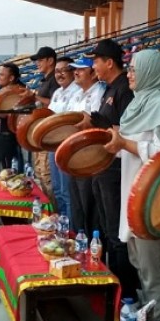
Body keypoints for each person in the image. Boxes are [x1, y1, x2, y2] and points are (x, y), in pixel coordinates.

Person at [103, 49, 160, 321]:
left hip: (157, 203)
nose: (130, 74)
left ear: (152, 71)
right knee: (142, 267)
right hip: (135, 196)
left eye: (136, 69)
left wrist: (124, 143)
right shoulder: (141, 103)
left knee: (156, 273)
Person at [81, 39, 141, 302]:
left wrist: (101, 123)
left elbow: (124, 130)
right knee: (105, 227)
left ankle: (124, 293)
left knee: (117, 233)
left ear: (109, 62)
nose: (94, 65)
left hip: (116, 167)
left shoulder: (124, 91)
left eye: (96, 60)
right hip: (103, 165)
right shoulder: (109, 90)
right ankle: (110, 280)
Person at [66, 56, 106, 236]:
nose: (76, 72)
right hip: (73, 153)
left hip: (89, 155)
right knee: (77, 204)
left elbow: (93, 123)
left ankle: (92, 245)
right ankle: (78, 239)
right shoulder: (77, 93)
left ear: (93, 74)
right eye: (75, 69)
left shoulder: (99, 93)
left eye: (81, 69)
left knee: (89, 204)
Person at [47, 56, 79, 219]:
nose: (59, 75)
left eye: (63, 71)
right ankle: (61, 225)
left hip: (67, 146)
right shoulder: (57, 92)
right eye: (57, 71)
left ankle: (71, 231)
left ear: (73, 72)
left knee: (67, 193)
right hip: (54, 146)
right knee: (58, 190)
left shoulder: (78, 91)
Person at [29, 46, 59, 199]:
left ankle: (54, 216)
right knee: (40, 174)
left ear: (50, 60)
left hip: (49, 135)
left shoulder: (55, 80)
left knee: (47, 177)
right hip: (41, 133)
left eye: (40, 60)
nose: (37, 64)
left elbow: (54, 105)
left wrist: (35, 98)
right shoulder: (46, 80)